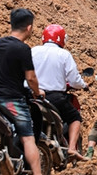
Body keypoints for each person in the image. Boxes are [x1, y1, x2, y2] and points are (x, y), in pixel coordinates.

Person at [0, 8, 46, 175]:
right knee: (27, 138)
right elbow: (30, 78)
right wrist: (37, 92)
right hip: (12, 100)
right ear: (29, 27)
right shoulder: (23, 49)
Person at [32, 24, 88, 161]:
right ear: (62, 39)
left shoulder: (32, 51)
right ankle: (72, 148)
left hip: (33, 96)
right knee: (75, 118)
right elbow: (74, 80)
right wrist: (84, 85)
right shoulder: (64, 54)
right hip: (55, 98)